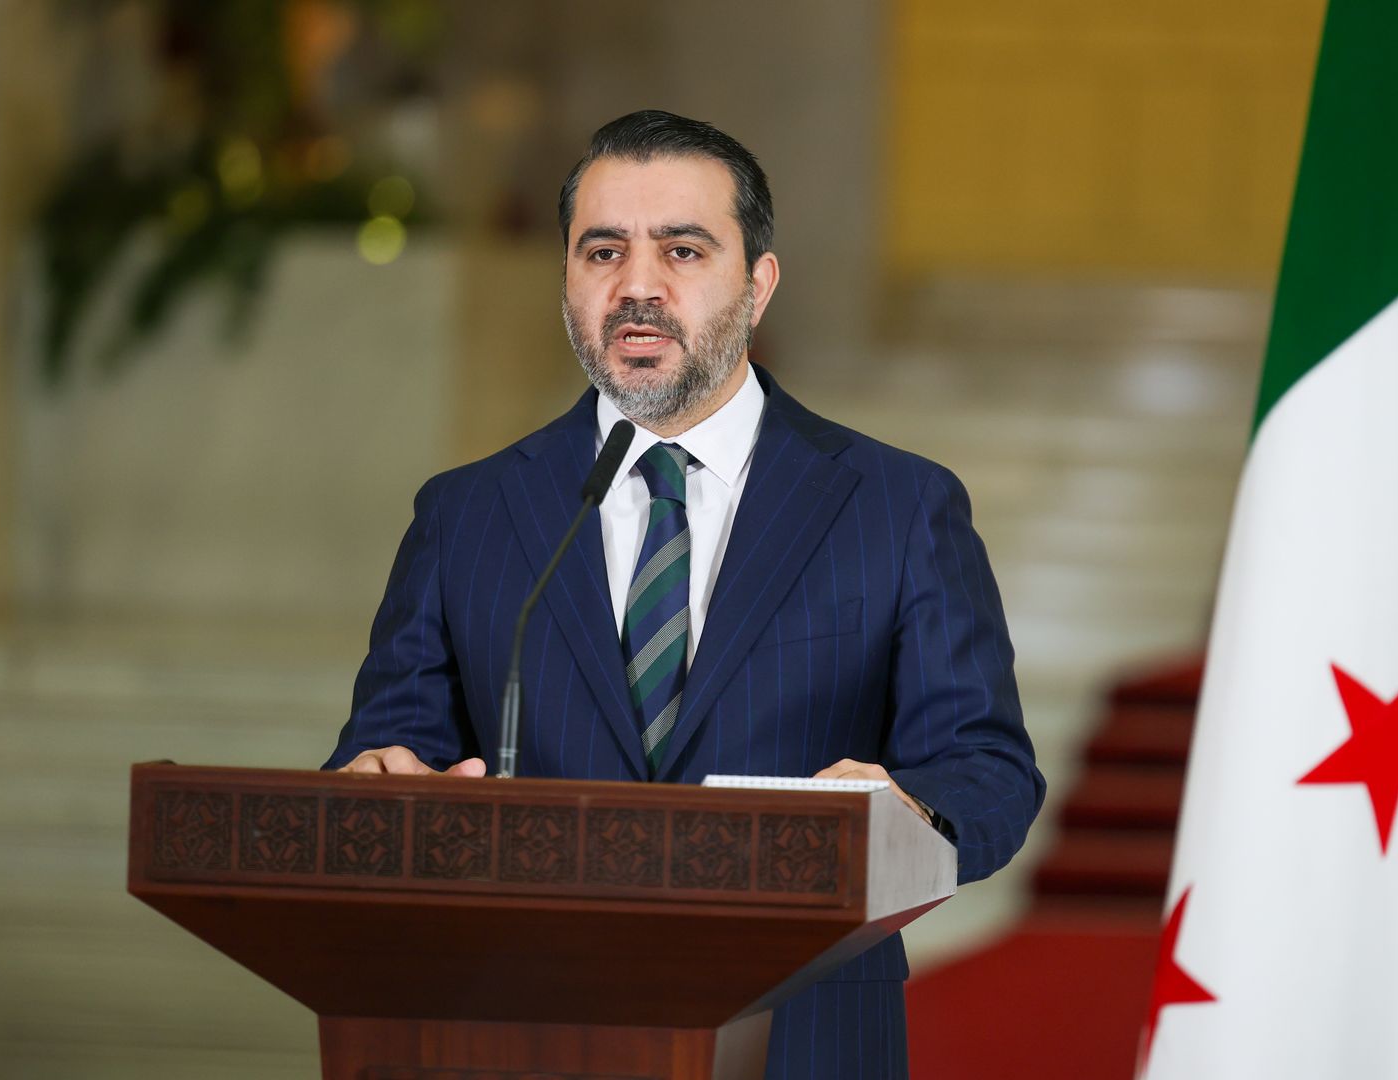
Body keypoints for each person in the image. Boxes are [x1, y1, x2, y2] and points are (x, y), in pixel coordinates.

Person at [324, 109, 1044, 1078]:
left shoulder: (898, 506)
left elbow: (989, 770)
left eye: (684, 250)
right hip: (519, 1031)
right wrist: (379, 784)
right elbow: (385, 749)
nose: (638, 287)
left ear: (759, 283)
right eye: (603, 250)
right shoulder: (469, 513)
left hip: (802, 1036)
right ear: (568, 279)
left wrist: (908, 811)